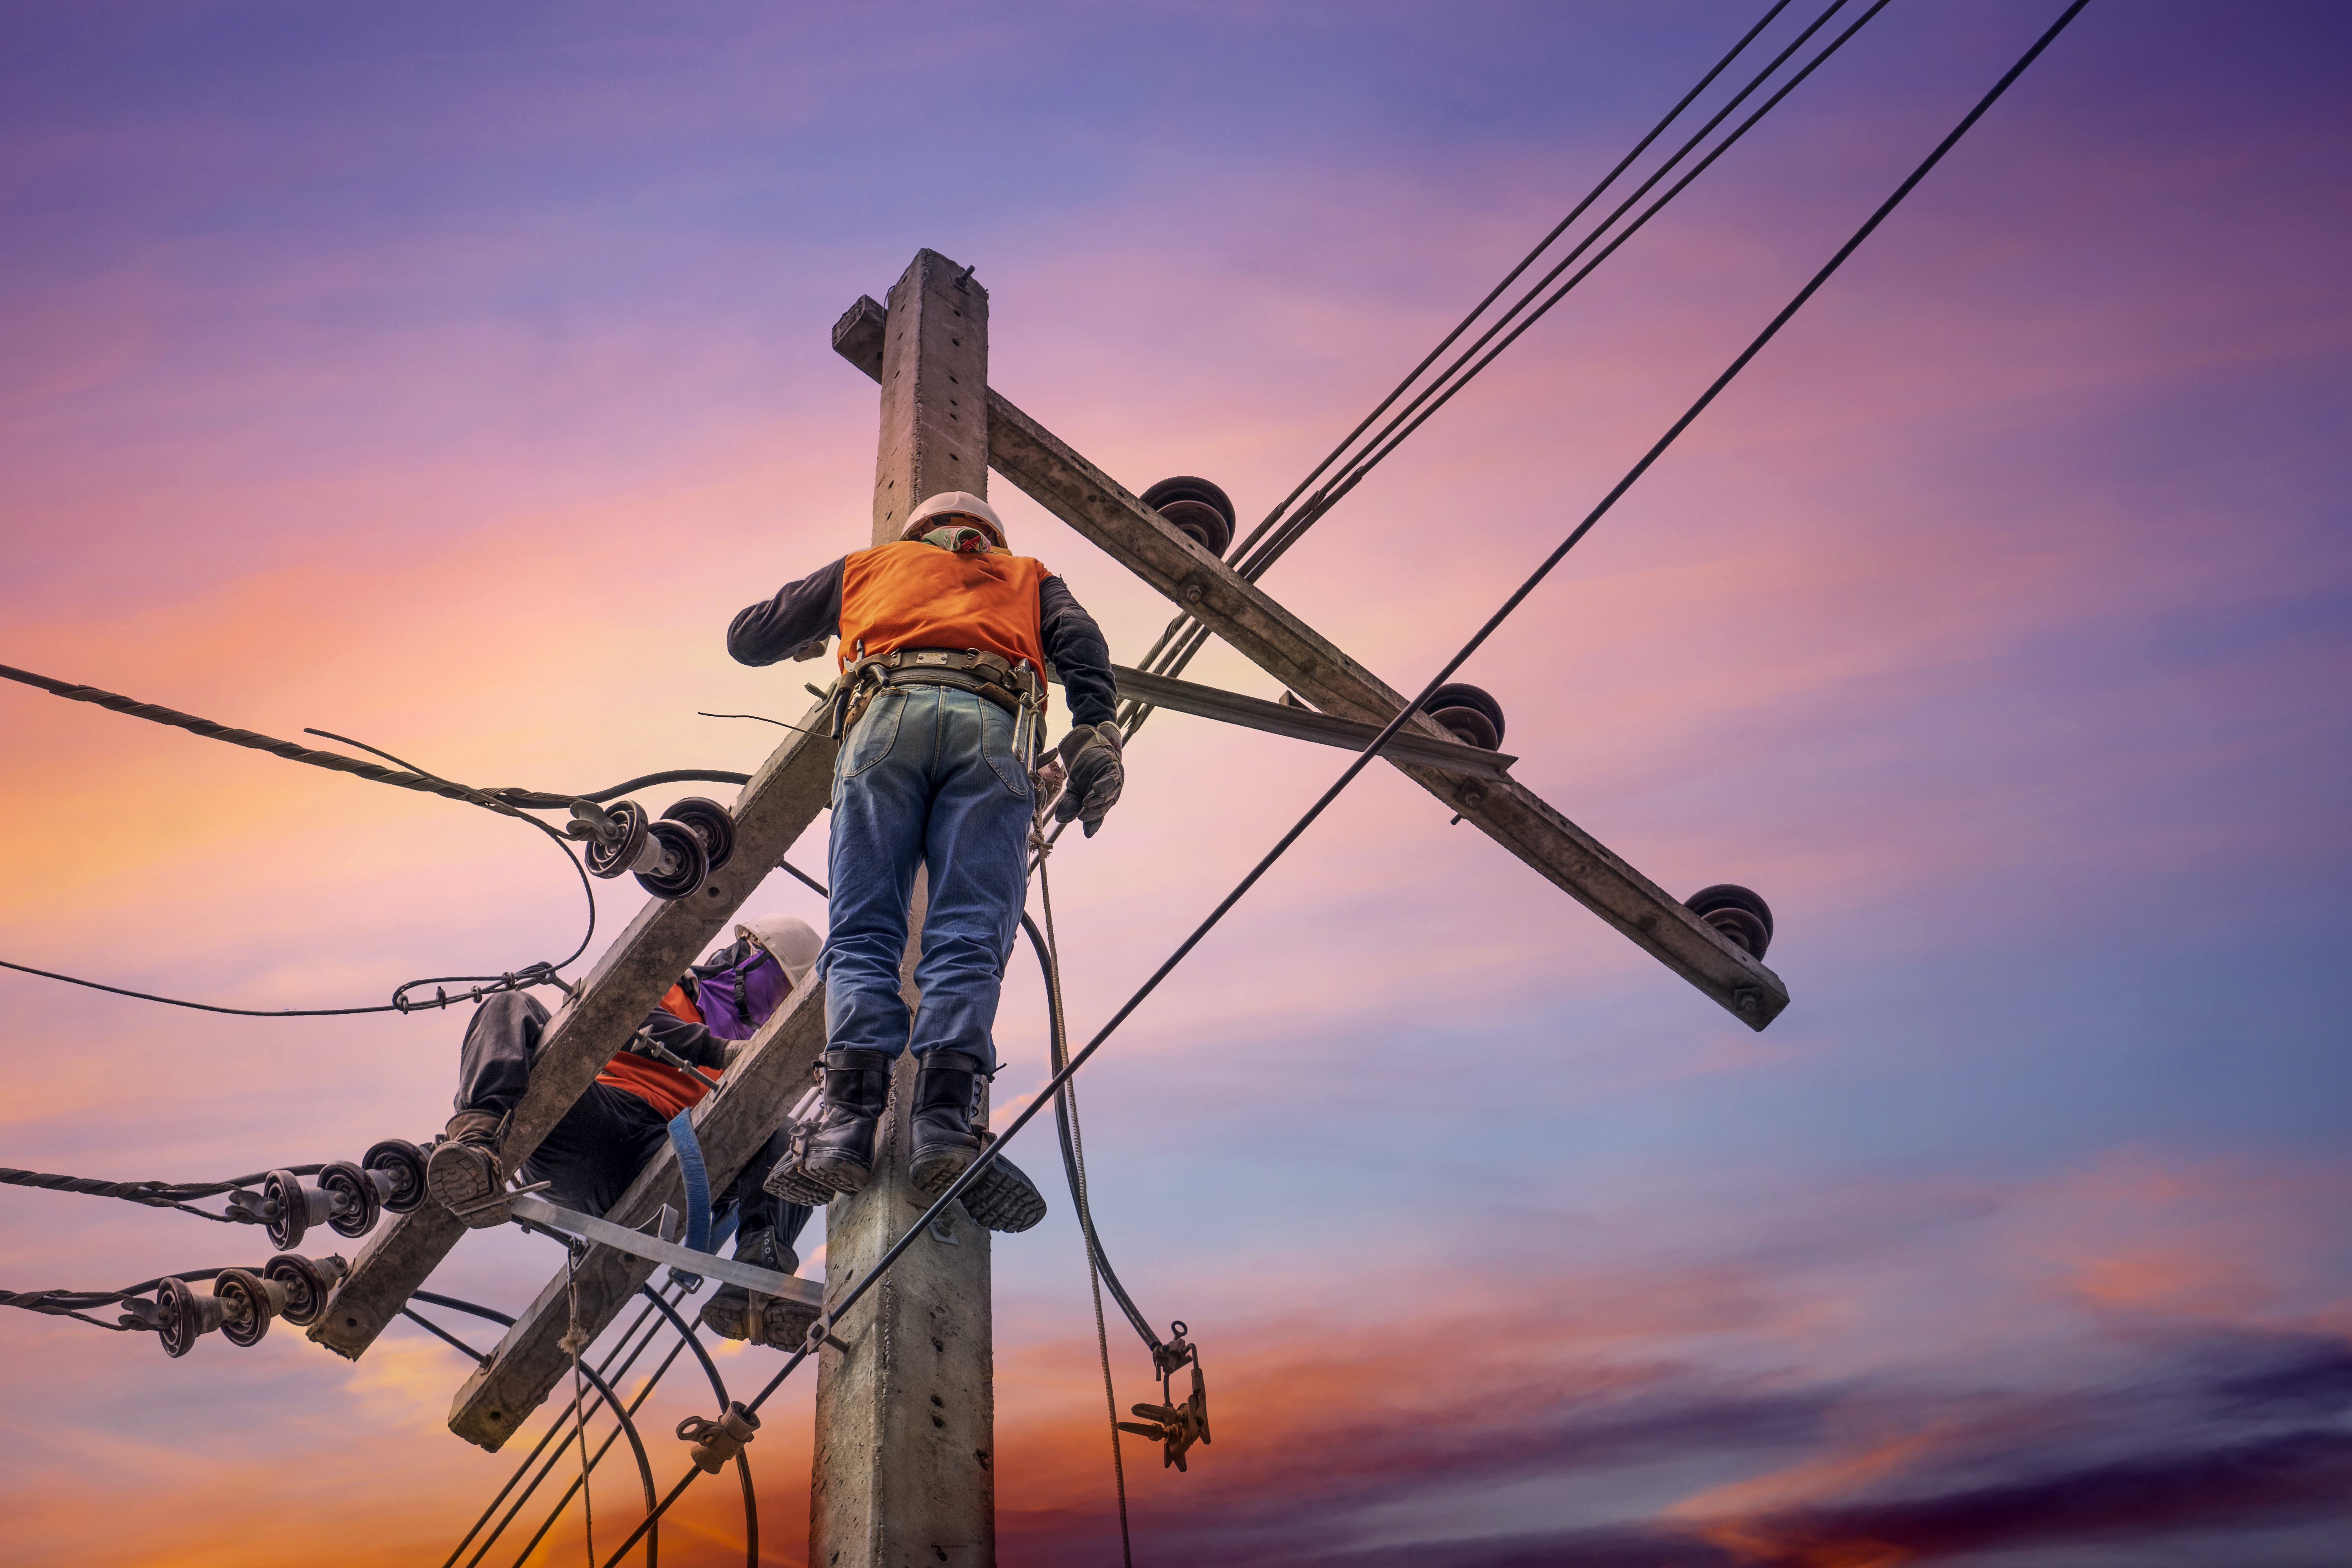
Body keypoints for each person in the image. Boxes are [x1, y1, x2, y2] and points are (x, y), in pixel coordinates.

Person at [726, 490, 1123, 1201]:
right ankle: (943, 1122)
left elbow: (748, 636)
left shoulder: (870, 567)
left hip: (887, 722)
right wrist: (1097, 728)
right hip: (990, 728)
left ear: (918, 532)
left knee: (863, 930)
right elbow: (1083, 642)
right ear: (989, 538)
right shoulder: (1029, 576)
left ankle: (848, 1121)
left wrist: (806, 634)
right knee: (971, 933)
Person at [423, 913, 827, 1345]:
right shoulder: (662, 985)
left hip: (667, 1152)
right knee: (511, 1006)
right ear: (749, 955)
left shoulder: (756, 1056)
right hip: (594, 1125)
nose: (772, 1009)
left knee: (788, 1140)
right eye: (778, 989)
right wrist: (723, 1050)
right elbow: (625, 1019)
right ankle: (478, 1144)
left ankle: (757, 1283)